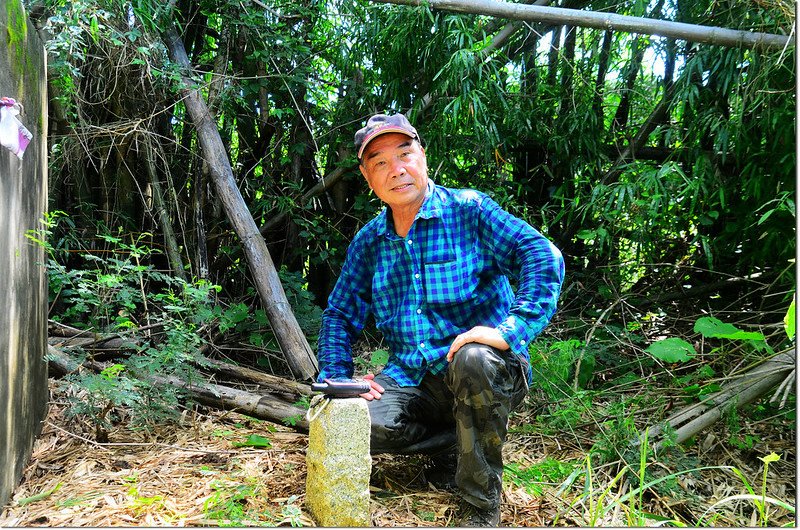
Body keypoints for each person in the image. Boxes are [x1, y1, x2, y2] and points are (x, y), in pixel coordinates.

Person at [316, 113, 565, 527]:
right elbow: (340, 313)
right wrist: (341, 380)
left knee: (473, 358)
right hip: (414, 378)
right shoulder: (369, 242)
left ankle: (479, 507)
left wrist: (510, 329)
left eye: (405, 153)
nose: (397, 169)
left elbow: (542, 254)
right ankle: (456, 445)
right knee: (357, 423)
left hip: (486, 370)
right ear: (367, 176)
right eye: (380, 162)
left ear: (423, 156)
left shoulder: (469, 210)